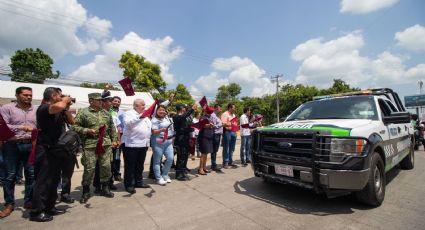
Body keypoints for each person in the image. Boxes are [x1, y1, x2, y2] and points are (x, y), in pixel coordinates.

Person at [30, 87, 74, 222]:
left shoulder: (59, 110)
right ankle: (37, 211)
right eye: (59, 96)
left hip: (56, 150)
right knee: (43, 181)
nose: (62, 98)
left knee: (54, 180)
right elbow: (59, 105)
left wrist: (66, 108)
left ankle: (49, 206)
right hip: (45, 149)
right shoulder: (44, 108)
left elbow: (72, 121)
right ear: (53, 96)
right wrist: (66, 100)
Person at [73, 93, 118, 203]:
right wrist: (87, 130)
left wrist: (114, 140)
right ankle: (86, 191)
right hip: (90, 145)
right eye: (98, 100)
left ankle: (105, 188)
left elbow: (112, 128)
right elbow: (75, 126)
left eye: (101, 100)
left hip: (105, 145)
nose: (100, 102)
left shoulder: (106, 113)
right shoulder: (83, 112)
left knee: (106, 166)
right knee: (89, 169)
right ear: (91, 101)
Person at [0, 86, 36, 219]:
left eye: (30, 95)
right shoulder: (7, 108)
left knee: (31, 174)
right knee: (10, 176)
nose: (29, 97)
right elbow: (3, 125)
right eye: (25, 95)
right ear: (17, 95)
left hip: (30, 145)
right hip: (12, 145)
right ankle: (9, 204)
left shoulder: (35, 109)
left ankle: (29, 200)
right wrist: (21, 127)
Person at [121, 99, 151, 194]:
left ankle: (138, 182)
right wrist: (141, 116)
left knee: (139, 165)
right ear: (136, 106)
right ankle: (129, 184)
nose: (144, 106)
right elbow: (127, 123)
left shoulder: (145, 116)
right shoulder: (129, 113)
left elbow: (147, 127)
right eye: (142, 105)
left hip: (143, 144)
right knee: (130, 166)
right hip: (131, 144)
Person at [93, 94, 120, 193]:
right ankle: (97, 185)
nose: (112, 103)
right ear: (103, 102)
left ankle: (109, 183)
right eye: (110, 101)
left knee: (110, 164)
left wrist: (116, 140)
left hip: (110, 143)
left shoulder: (112, 113)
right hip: (99, 143)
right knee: (99, 165)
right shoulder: (96, 113)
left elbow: (115, 128)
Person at [55, 88, 77, 204]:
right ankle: (52, 195)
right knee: (54, 174)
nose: (68, 103)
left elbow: (73, 122)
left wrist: (66, 108)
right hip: (56, 148)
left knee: (68, 173)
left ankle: (65, 194)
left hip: (69, 148)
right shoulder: (51, 111)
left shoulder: (66, 112)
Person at [151, 105, 174, 185]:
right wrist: (161, 130)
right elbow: (153, 132)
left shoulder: (167, 118)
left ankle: (165, 174)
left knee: (170, 158)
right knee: (157, 161)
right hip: (158, 141)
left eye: (163, 110)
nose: (162, 111)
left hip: (169, 141)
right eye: (160, 110)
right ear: (156, 111)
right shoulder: (154, 120)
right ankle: (158, 178)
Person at [173, 103, 197, 181]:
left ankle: (183, 171)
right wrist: (192, 109)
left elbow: (186, 125)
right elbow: (183, 117)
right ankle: (178, 174)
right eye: (184, 107)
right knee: (181, 157)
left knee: (185, 156)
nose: (185, 108)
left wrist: (191, 128)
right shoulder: (177, 116)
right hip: (180, 139)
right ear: (180, 108)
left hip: (186, 138)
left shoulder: (184, 117)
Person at [197, 107, 215, 175]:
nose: (211, 113)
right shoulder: (203, 117)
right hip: (204, 137)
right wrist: (209, 125)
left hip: (209, 136)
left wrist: (212, 125)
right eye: (210, 112)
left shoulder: (210, 117)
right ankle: (200, 169)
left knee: (206, 153)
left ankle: (204, 167)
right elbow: (202, 125)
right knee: (203, 153)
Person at [221, 103, 238, 169]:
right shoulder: (225, 114)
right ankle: (225, 163)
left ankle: (230, 162)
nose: (235, 109)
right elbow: (223, 123)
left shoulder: (233, 115)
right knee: (226, 148)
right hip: (227, 132)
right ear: (230, 108)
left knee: (232, 148)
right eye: (234, 108)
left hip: (233, 132)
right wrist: (228, 127)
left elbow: (235, 123)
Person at [111, 96, 123, 182]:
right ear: (111, 102)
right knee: (110, 157)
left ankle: (117, 173)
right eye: (115, 101)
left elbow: (122, 125)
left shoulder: (122, 112)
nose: (117, 103)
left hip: (119, 135)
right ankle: (109, 174)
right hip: (110, 136)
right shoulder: (108, 111)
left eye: (118, 101)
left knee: (117, 156)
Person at [210, 104, 223, 172]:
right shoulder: (213, 116)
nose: (220, 109)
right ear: (215, 108)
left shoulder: (216, 116)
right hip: (215, 134)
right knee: (214, 150)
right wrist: (222, 124)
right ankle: (213, 165)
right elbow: (213, 126)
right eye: (219, 108)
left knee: (215, 150)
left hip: (218, 135)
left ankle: (214, 164)